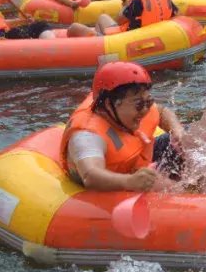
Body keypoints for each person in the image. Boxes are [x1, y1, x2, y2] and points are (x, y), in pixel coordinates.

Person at [61, 62, 186, 192]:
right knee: (172, 190)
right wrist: (130, 182)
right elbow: (90, 176)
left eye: (148, 102)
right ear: (110, 104)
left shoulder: (135, 108)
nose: (145, 110)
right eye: (138, 104)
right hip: (116, 180)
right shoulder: (87, 136)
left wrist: (177, 130)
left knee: (185, 142)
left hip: (135, 159)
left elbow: (161, 112)